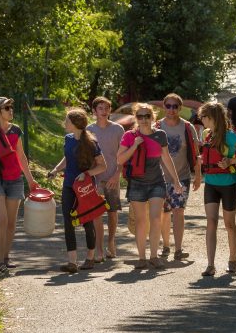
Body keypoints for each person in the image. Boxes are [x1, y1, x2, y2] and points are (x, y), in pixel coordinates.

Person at [117, 103, 183, 270]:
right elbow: (120, 159)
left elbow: (166, 158)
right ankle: (141, 258)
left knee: (155, 218)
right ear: (136, 118)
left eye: (147, 116)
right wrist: (134, 145)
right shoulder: (129, 136)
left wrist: (176, 180)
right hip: (137, 183)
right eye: (140, 116)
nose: (144, 119)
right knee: (141, 221)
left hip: (157, 182)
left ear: (153, 117)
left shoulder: (160, 135)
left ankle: (154, 256)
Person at [0, 97, 38, 274]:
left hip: (14, 180)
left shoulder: (16, 130)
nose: (11, 110)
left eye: (11, 107)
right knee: (2, 220)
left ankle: (6, 257)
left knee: (11, 223)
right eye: (7, 108)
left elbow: (21, 157)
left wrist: (30, 180)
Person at [198, 102, 236, 276]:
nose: (201, 120)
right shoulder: (207, 135)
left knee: (229, 224)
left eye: (203, 117)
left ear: (212, 118)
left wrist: (231, 161)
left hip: (229, 185)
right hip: (211, 184)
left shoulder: (230, 136)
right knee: (211, 222)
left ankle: (232, 259)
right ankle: (210, 265)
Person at [48, 108, 107, 273]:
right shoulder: (68, 139)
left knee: (87, 220)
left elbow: (103, 166)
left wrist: (86, 173)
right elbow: (67, 158)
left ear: (75, 124)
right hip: (68, 185)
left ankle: (90, 257)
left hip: (85, 187)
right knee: (68, 221)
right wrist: (55, 170)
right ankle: (72, 262)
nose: (64, 123)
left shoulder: (91, 143)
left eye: (67, 120)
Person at [156, 93, 201, 260]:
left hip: (182, 176)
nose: (171, 109)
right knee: (164, 212)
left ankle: (179, 249)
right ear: (164, 107)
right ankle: (166, 246)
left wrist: (198, 175)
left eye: (175, 106)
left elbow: (196, 153)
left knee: (179, 211)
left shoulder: (187, 127)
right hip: (160, 177)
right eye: (168, 106)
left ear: (180, 108)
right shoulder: (157, 126)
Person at [87, 97, 125, 261]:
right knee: (96, 214)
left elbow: (122, 155)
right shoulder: (88, 129)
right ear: (94, 111)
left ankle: (111, 242)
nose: (104, 111)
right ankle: (99, 249)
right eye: (100, 108)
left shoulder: (118, 129)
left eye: (107, 108)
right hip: (95, 178)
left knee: (112, 212)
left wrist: (117, 174)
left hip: (112, 177)